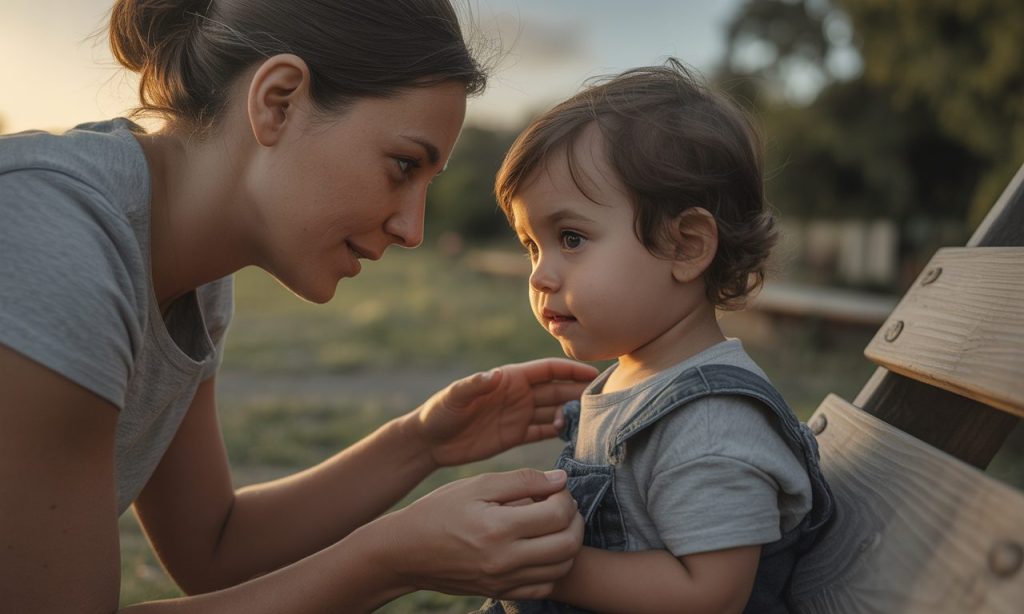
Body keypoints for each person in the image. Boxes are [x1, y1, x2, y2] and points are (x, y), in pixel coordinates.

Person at [0, 0, 599, 611]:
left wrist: (421, 443)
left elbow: (214, 549)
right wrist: (390, 559)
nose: (412, 228)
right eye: (402, 166)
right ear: (278, 100)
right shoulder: (53, 242)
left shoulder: (195, 279)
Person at [478, 60, 835, 613]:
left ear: (686, 246)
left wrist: (554, 570)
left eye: (570, 237)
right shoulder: (635, 381)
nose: (540, 274)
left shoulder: (712, 421)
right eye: (532, 245)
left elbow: (710, 595)